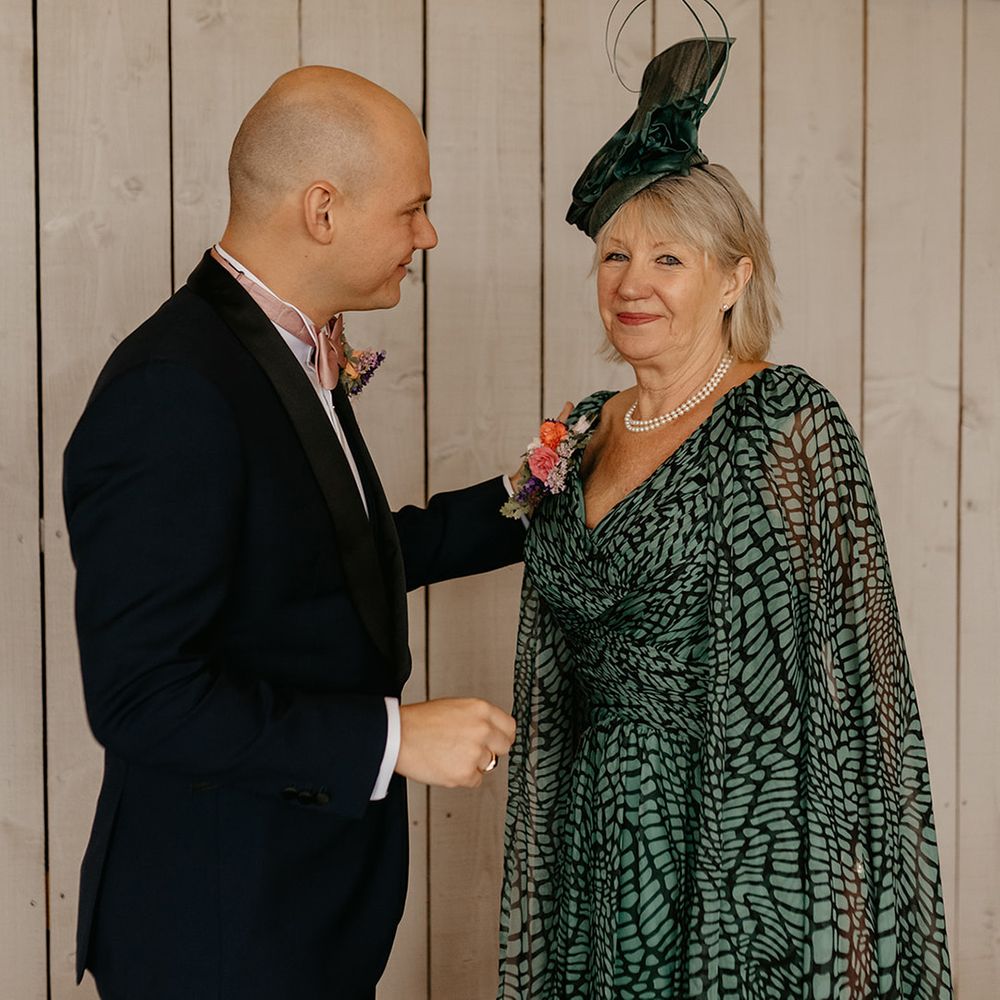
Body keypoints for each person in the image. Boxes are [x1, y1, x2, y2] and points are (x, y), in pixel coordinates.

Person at [497, 31, 953, 1000]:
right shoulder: (580, 429)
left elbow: (842, 682)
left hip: (743, 850)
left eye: (669, 256)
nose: (633, 282)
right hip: (596, 842)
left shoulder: (781, 420)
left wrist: (839, 907)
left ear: (733, 276)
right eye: (615, 253)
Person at [63, 66, 524, 1000]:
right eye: (413, 209)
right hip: (216, 927)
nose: (427, 235)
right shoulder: (174, 388)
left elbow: (332, 561)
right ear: (323, 209)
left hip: (297, 908)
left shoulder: (284, 346)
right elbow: (143, 697)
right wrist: (394, 740)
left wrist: (533, 496)